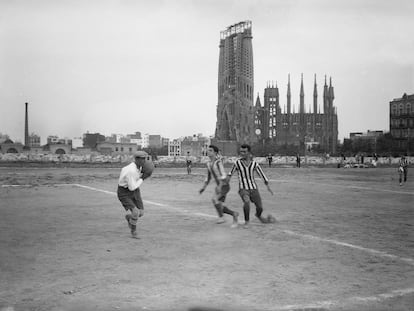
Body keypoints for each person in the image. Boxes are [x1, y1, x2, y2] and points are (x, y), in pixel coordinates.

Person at [228, 144, 274, 229]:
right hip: (243, 188)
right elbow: (230, 174)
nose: (242, 153)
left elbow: (262, 175)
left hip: (254, 188)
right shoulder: (237, 163)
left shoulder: (254, 164)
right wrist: (226, 183)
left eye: (244, 152)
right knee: (246, 201)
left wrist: (268, 186)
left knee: (260, 207)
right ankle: (247, 221)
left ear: (248, 152)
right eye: (241, 151)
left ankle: (258, 215)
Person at [199, 145, 239, 228]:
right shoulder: (208, 164)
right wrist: (203, 187)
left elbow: (223, 175)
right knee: (219, 204)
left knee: (214, 199)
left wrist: (220, 186)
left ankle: (221, 217)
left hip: (224, 185)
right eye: (208, 150)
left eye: (210, 150)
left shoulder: (218, 162)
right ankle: (234, 214)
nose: (208, 152)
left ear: (215, 153)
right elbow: (208, 177)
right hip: (219, 186)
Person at [117, 151, 148, 238]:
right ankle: (133, 231)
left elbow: (134, 186)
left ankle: (129, 218)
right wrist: (143, 178)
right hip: (124, 192)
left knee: (141, 213)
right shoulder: (131, 170)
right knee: (135, 212)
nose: (144, 161)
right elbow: (131, 187)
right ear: (136, 159)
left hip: (135, 190)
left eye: (145, 159)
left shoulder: (139, 167)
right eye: (142, 159)